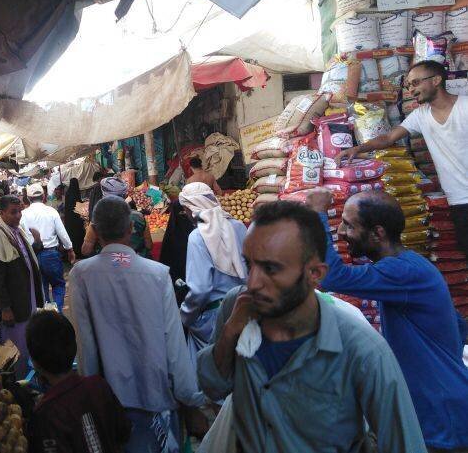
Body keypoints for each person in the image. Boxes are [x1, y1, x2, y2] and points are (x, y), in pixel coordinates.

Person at [197, 200, 427, 453]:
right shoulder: (237, 308)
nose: (253, 283)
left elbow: (403, 442)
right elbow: (212, 386)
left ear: (315, 274)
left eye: (270, 269)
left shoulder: (362, 349)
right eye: (249, 264)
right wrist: (230, 333)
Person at [306, 188, 468, 452]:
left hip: (441, 414)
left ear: (377, 233)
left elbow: (333, 276)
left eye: (349, 225)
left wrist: (318, 215)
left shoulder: (402, 271)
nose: (341, 233)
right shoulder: (410, 267)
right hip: (439, 405)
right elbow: (458, 326)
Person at [70, 196, 207, 453]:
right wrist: (190, 399)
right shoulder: (157, 273)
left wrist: (91, 398)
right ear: (131, 228)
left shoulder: (82, 275)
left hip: (112, 402)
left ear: (95, 231)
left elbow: (85, 345)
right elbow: (174, 344)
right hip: (158, 398)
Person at [337, 60, 468, 258]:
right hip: (458, 201)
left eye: (415, 83)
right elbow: (389, 137)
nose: (411, 90)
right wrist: (358, 148)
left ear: (436, 80)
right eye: (408, 86)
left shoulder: (465, 107)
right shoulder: (421, 115)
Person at [26, 311, 131, 453]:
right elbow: (124, 432)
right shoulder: (99, 386)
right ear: (74, 348)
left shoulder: (44, 415)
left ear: (35, 362)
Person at [178, 183, 247, 367]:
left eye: (184, 210)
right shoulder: (238, 226)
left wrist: (185, 316)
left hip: (214, 318)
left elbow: (200, 289)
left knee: (211, 371)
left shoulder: (197, 236)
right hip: (245, 309)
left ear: (190, 209)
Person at [0, 195, 44, 378]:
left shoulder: (16, 231)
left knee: (28, 341)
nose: (18, 215)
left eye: (19, 211)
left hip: (27, 297)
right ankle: (18, 382)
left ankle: (29, 377)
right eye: (13, 212)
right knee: (15, 346)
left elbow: (26, 259)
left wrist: (37, 241)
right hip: (14, 304)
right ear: (1, 213)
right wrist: (5, 308)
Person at [20, 183, 75, 311]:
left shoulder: (22, 215)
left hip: (33, 255)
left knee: (41, 287)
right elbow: (62, 233)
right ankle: (58, 312)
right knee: (58, 284)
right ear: (43, 196)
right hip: (51, 254)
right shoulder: (51, 211)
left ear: (27, 198)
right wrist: (70, 249)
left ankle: (46, 316)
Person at [81, 177, 153, 258]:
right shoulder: (139, 217)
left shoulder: (97, 220)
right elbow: (149, 246)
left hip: (107, 266)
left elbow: (86, 250)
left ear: (104, 195)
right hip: (137, 263)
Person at [158, 200, 195, 283]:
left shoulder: (199, 234)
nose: (185, 216)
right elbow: (166, 259)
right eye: (182, 213)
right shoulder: (172, 234)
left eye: (187, 213)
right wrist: (174, 277)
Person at [63, 178, 86, 258]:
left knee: (71, 236)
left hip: (69, 221)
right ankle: (79, 253)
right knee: (78, 236)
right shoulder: (76, 193)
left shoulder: (68, 193)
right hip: (77, 220)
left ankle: (71, 253)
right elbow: (78, 205)